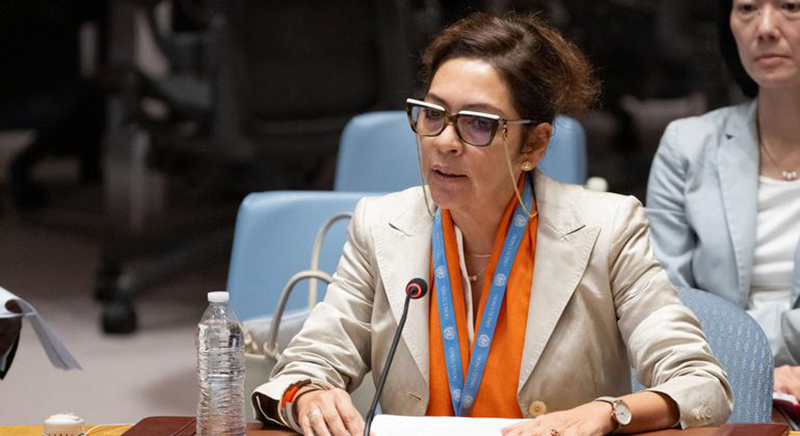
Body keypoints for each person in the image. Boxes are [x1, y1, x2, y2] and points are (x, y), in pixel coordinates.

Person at [254, 12, 732, 436]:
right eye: (432, 115)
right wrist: (307, 395)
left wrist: (610, 413)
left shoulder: (607, 228)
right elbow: (303, 368)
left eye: (478, 123)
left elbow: (700, 383)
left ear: (534, 145)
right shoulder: (381, 226)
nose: (445, 141)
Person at [646, 0, 800, 400]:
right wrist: (751, 364)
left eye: (790, 6)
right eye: (747, 8)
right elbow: (661, 301)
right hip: (713, 384)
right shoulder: (687, 145)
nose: (765, 27)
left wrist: (738, 338)